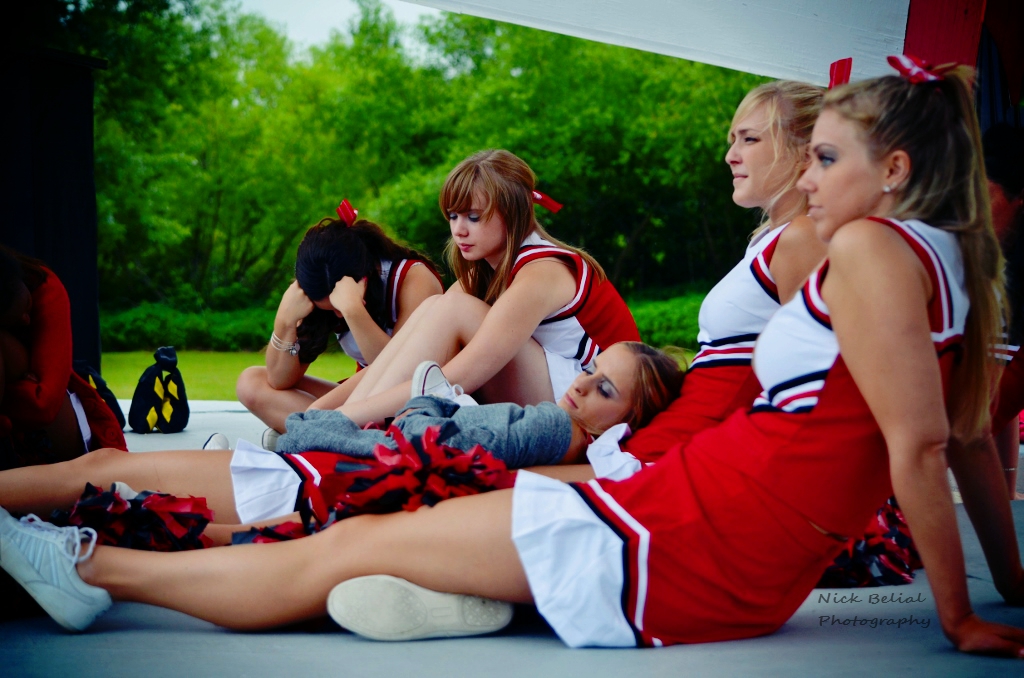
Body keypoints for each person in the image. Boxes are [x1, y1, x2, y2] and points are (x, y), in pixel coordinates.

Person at [4, 62, 1024, 659]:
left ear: (893, 172)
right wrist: (1001, 590)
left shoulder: (868, 248)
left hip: (692, 532)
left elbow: (925, 441)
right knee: (373, 533)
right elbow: (967, 441)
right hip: (680, 505)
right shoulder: (936, 267)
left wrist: (958, 617)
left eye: (829, 158)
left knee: (343, 541)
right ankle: (445, 580)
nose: (812, 176)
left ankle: (91, 565)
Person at [0, 342, 682, 547]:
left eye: (604, 390)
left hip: (314, 476)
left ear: (625, 419)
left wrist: (427, 399)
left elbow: (428, 444)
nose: (580, 387)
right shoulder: (573, 453)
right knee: (128, 509)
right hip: (323, 495)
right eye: (590, 373)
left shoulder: (550, 429)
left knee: (102, 469)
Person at [313, 149, 640, 427]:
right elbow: (405, 350)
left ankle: (343, 432)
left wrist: (342, 420)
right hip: (548, 390)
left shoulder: (542, 271)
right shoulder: (484, 271)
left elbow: (459, 375)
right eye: (453, 216)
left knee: (449, 309)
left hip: (584, 408)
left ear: (513, 214)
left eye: (473, 216)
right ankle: (331, 428)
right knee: (434, 309)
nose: (459, 230)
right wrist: (320, 412)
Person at [618, 80, 827, 463]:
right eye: (733, 140)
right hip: (684, 433)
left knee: (502, 483)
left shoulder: (801, 237)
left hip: (698, 449)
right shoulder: (766, 239)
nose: (730, 155)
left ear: (804, 152)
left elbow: (819, 379)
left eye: (748, 139)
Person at [235, 204, 444, 435]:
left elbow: (402, 372)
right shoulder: (320, 289)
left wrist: (354, 311)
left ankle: (317, 433)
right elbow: (279, 380)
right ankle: (332, 434)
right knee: (251, 383)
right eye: (329, 308)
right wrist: (284, 322)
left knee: (320, 412)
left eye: (338, 307)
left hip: (411, 402)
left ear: (364, 277)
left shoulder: (412, 279)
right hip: (360, 401)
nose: (336, 314)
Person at [0, 246, 125, 469]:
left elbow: (43, 406)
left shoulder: (43, 286)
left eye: (28, 307)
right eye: (14, 321)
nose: (27, 320)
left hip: (52, 429)